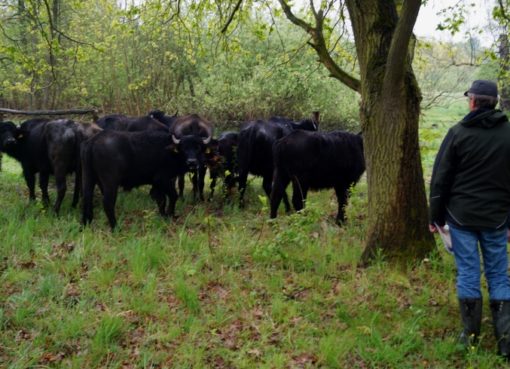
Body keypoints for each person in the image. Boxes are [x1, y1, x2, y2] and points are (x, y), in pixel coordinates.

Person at [429, 80, 510, 357]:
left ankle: (471, 337)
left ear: (473, 101)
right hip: (497, 219)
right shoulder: (508, 134)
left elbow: (440, 180)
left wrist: (435, 217)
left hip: (460, 217)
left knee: (468, 273)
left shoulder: (457, 133)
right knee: (499, 274)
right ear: (495, 103)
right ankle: (505, 341)